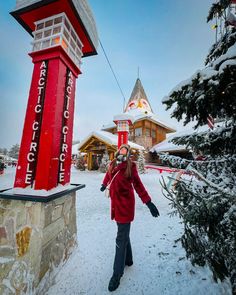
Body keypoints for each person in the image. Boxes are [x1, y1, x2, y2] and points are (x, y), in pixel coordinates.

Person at [100, 144, 159, 292]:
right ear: (118, 151)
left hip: (125, 205)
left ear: (128, 153)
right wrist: (103, 184)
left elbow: (138, 185)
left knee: (120, 237)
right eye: (121, 149)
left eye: (126, 149)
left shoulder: (130, 166)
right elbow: (109, 175)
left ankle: (117, 274)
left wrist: (148, 202)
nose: (123, 151)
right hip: (115, 204)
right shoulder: (113, 163)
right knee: (124, 233)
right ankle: (129, 260)